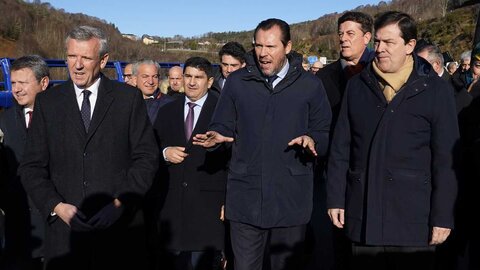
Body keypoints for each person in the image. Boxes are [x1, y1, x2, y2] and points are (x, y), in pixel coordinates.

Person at [193, 18, 331, 270]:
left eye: (270, 47)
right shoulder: (237, 82)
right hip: (245, 199)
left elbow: (323, 132)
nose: (263, 54)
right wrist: (217, 135)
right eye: (258, 46)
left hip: (290, 199)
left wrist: (313, 140)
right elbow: (223, 123)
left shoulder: (310, 86)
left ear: (287, 47)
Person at [18, 25, 159, 270]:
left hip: (119, 234)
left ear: (103, 60)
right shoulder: (48, 103)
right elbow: (31, 167)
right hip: (65, 237)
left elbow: (146, 158)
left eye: (86, 57)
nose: (77, 65)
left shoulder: (128, 99)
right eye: (72, 56)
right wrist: (57, 207)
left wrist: (120, 204)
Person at [327, 11, 459, 270]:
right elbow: (341, 148)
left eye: (389, 42)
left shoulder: (434, 90)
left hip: (413, 217)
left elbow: (446, 158)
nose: (380, 49)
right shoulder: (358, 87)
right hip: (363, 212)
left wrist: (443, 215)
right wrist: (335, 198)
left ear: (410, 45)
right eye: (377, 42)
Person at [153, 57, 228, 270]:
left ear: (210, 81)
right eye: (188, 76)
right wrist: (165, 153)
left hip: (208, 208)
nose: (192, 82)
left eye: (198, 77)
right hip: (172, 209)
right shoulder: (168, 109)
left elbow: (234, 157)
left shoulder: (223, 111)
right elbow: (151, 149)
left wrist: (228, 199)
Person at [312, 11, 373, 270]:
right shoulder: (323, 78)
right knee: (337, 241)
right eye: (340, 34)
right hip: (334, 169)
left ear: (367, 38)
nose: (343, 40)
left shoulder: (378, 72)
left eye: (350, 34)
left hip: (371, 168)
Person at [0, 55, 50, 270]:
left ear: (44, 83)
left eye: (23, 83)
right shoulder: (6, 119)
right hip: (17, 223)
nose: (16, 89)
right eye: (13, 83)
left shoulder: (63, 118)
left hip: (52, 221)